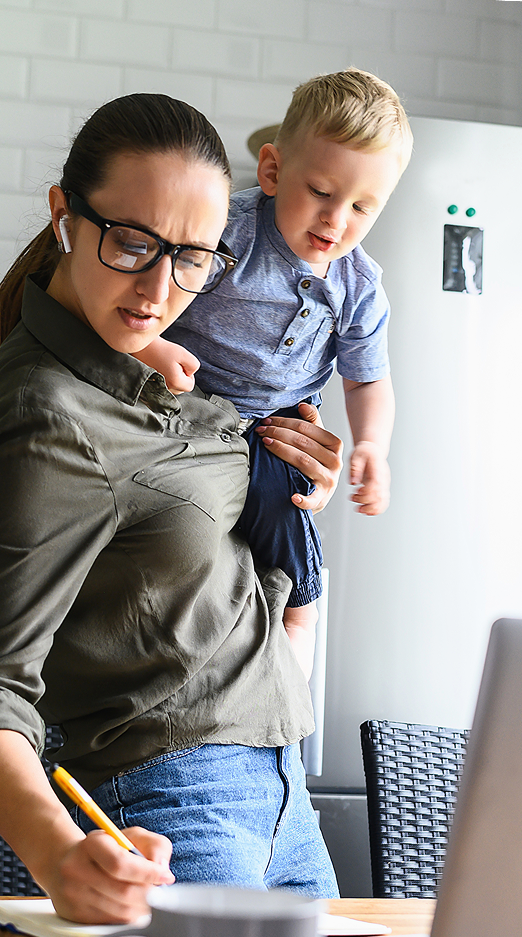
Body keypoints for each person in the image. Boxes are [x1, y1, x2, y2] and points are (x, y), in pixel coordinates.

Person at [0, 93, 344, 925]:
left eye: (192, 257)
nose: (160, 288)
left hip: (282, 792)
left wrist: (294, 490)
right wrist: (56, 854)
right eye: (131, 244)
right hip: (176, 801)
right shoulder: (47, 417)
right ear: (65, 216)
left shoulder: (146, 363)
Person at [144, 69, 413, 677]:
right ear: (271, 170)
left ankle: (299, 623)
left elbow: (367, 379)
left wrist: (372, 444)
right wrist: (153, 348)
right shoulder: (226, 233)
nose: (336, 220)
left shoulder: (359, 285)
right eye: (321, 191)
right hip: (183, 403)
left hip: (276, 426)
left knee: (285, 508)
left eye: (363, 207)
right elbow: (154, 298)